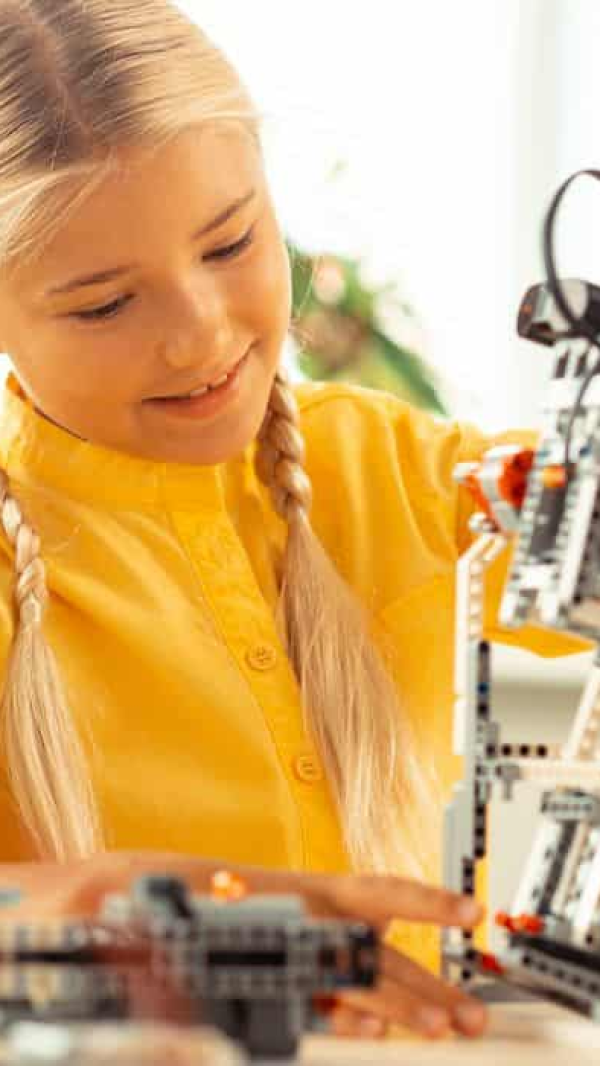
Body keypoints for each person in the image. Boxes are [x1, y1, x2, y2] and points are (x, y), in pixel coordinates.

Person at [0, 0, 589, 1044]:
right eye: (102, 305)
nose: (200, 337)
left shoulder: (405, 470)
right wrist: (118, 910)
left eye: (231, 242)